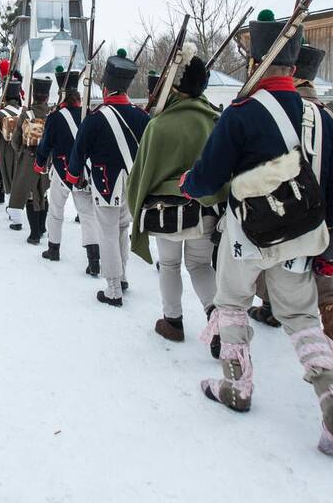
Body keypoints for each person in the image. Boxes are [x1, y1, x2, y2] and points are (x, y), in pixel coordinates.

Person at [179, 9, 333, 456]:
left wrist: (188, 183)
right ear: (295, 67)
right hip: (302, 236)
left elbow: (207, 179)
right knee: (301, 320)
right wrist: (319, 236)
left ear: (254, 62)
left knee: (233, 305)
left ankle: (236, 388)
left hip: (246, 237)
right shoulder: (321, 118)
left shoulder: (240, 113)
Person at [249, 43, 333, 345]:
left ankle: (271, 307)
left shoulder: (268, 111)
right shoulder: (325, 117)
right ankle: (330, 306)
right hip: (318, 207)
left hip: (278, 209)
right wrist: (328, 222)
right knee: (319, 251)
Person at [127, 53, 224, 342]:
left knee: (169, 265)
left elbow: (141, 176)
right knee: (200, 266)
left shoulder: (158, 125)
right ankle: (219, 319)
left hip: (165, 211)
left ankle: (173, 322)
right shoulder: (216, 121)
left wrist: (137, 205)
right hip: (205, 209)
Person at [66, 49, 149, 307]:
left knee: (109, 235)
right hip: (132, 184)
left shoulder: (95, 118)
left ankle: (113, 289)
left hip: (105, 185)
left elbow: (79, 151)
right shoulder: (142, 117)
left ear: (107, 87)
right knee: (122, 231)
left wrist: (73, 175)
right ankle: (122, 276)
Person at [35, 67, 99, 271]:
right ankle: (94, 260)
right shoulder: (88, 114)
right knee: (88, 215)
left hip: (62, 170)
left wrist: (39, 162)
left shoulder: (55, 117)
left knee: (56, 211)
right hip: (84, 172)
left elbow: (45, 145)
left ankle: (53, 249)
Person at [10, 76, 53, 244]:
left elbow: (15, 140)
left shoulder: (26, 113)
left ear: (33, 95)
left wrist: (22, 152)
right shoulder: (52, 113)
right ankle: (42, 228)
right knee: (42, 193)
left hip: (29, 157)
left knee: (30, 195)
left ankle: (34, 234)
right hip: (47, 159)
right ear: (47, 97)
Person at [0, 71, 23, 224]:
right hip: (22, 152)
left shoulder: (0, 114)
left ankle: (15, 214)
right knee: (20, 180)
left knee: (9, 180)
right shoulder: (24, 112)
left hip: (7, 153)